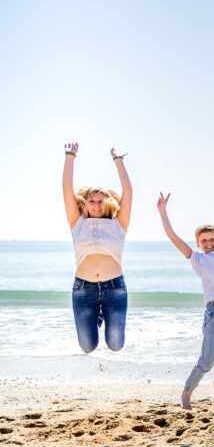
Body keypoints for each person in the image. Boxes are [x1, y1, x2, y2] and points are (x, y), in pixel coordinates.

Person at [157, 180, 214, 410]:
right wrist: (162, 211)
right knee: (206, 361)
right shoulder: (197, 258)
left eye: (212, 239)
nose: (208, 243)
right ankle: (187, 392)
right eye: (204, 240)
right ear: (198, 243)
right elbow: (172, 236)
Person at [61, 143, 133, 353]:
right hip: (84, 289)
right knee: (87, 346)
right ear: (86, 202)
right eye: (92, 200)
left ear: (107, 202)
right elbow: (66, 190)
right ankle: (98, 316)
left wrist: (118, 160)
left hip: (115, 288)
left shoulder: (118, 224)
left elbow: (128, 192)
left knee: (115, 345)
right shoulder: (78, 223)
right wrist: (69, 156)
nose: (96, 204)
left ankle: (102, 315)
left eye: (101, 201)